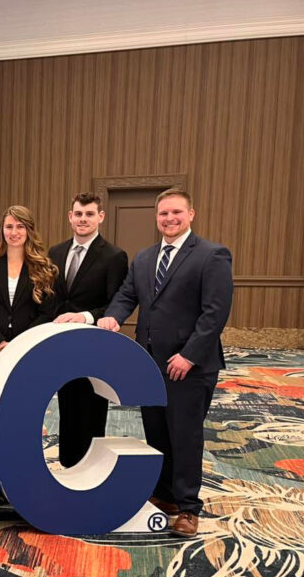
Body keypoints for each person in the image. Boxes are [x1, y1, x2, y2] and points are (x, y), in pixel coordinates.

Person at [98, 188, 233, 538]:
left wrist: (189, 354)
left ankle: (189, 508)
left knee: (185, 436)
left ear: (191, 214)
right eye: (163, 214)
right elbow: (127, 296)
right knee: (157, 434)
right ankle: (167, 496)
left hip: (190, 366)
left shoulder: (212, 255)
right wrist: (113, 317)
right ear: (156, 218)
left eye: (176, 213)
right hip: (150, 363)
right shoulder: (144, 258)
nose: (169, 219)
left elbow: (215, 313)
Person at [49, 193, 129, 468]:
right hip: (60, 345)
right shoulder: (55, 253)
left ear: (101, 217)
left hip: (94, 346)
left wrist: (83, 317)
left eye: (89, 214)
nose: (83, 219)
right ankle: (69, 466)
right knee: (67, 405)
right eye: (79, 214)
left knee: (92, 409)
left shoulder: (114, 256)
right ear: (70, 217)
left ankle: (91, 470)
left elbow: (114, 304)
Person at [0, 205, 58, 364]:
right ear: (2, 230)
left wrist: (19, 343)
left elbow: (46, 313)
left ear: (29, 230)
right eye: (9, 227)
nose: (14, 232)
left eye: (20, 227)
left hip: (29, 349)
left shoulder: (44, 268)